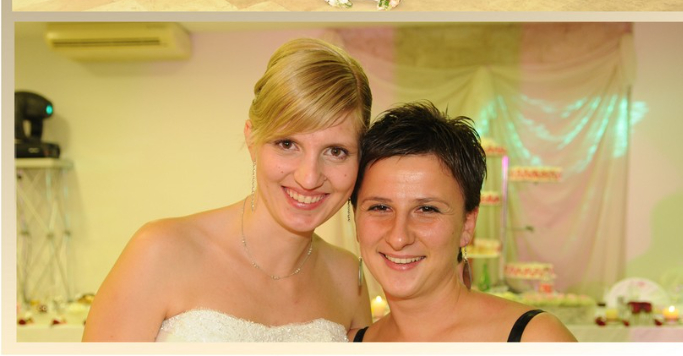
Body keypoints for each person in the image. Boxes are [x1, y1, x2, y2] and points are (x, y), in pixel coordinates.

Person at [83, 37, 373, 342]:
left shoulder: (347, 277)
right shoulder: (159, 252)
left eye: (336, 151)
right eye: (287, 144)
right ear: (252, 139)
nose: (309, 177)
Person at [350, 103, 575, 344]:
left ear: (467, 224)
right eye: (380, 207)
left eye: (427, 209)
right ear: (355, 216)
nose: (399, 237)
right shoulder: (353, 344)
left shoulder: (536, 339)